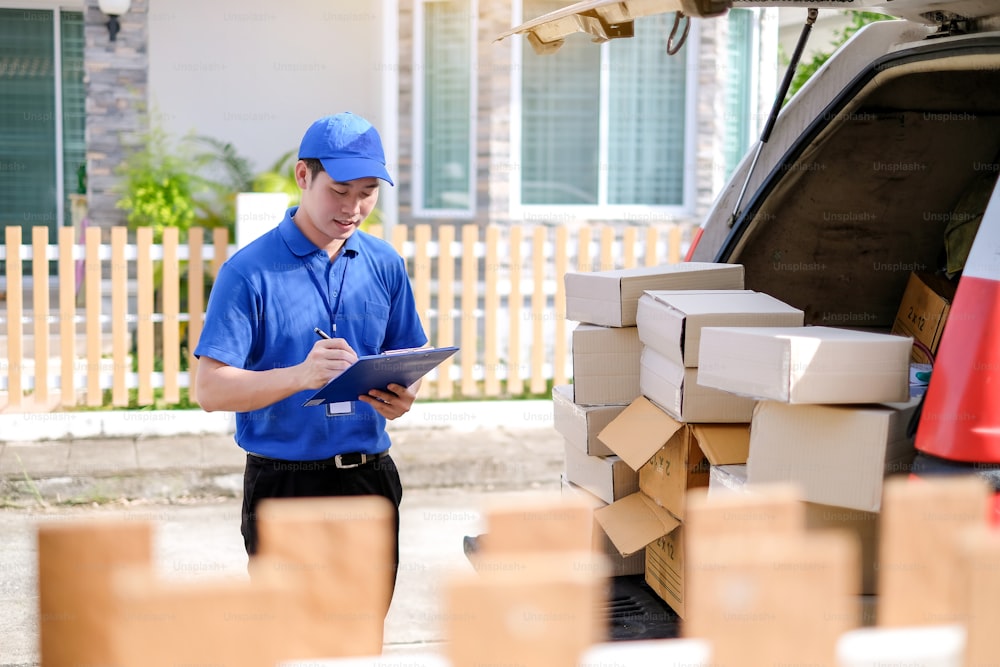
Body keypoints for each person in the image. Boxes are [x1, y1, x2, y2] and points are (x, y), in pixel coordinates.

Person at [193, 112, 427, 594]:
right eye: (339, 191)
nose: (353, 208)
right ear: (304, 175)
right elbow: (211, 389)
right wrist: (301, 375)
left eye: (367, 192)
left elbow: (410, 350)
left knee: (363, 635)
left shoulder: (385, 263)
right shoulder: (248, 272)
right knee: (290, 638)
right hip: (285, 486)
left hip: (370, 479)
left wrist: (406, 392)